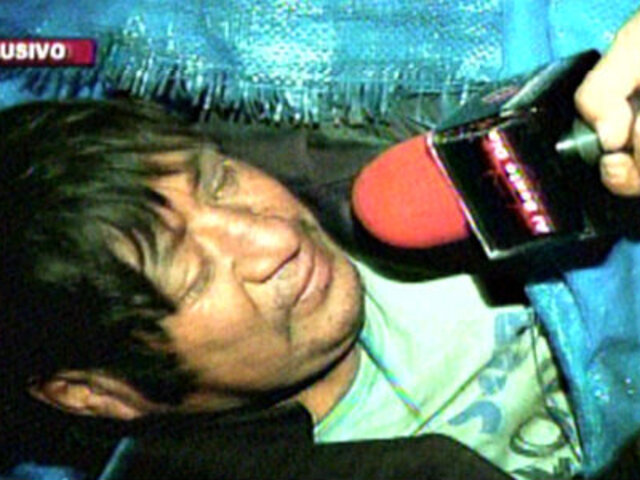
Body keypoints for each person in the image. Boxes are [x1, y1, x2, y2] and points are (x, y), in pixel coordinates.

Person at [3, 9, 640, 480]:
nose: (274, 237)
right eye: (192, 275)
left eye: (220, 181)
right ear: (96, 392)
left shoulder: (385, 139)